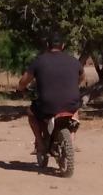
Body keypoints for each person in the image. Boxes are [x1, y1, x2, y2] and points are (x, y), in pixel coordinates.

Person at [15, 30, 82, 160]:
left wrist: (20, 89)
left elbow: (23, 82)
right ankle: (71, 143)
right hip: (71, 104)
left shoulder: (39, 61)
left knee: (31, 112)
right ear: (63, 46)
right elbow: (82, 78)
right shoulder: (74, 61)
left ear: (47, 45)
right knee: (75, 112)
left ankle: (40, 144)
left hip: (47, 105)